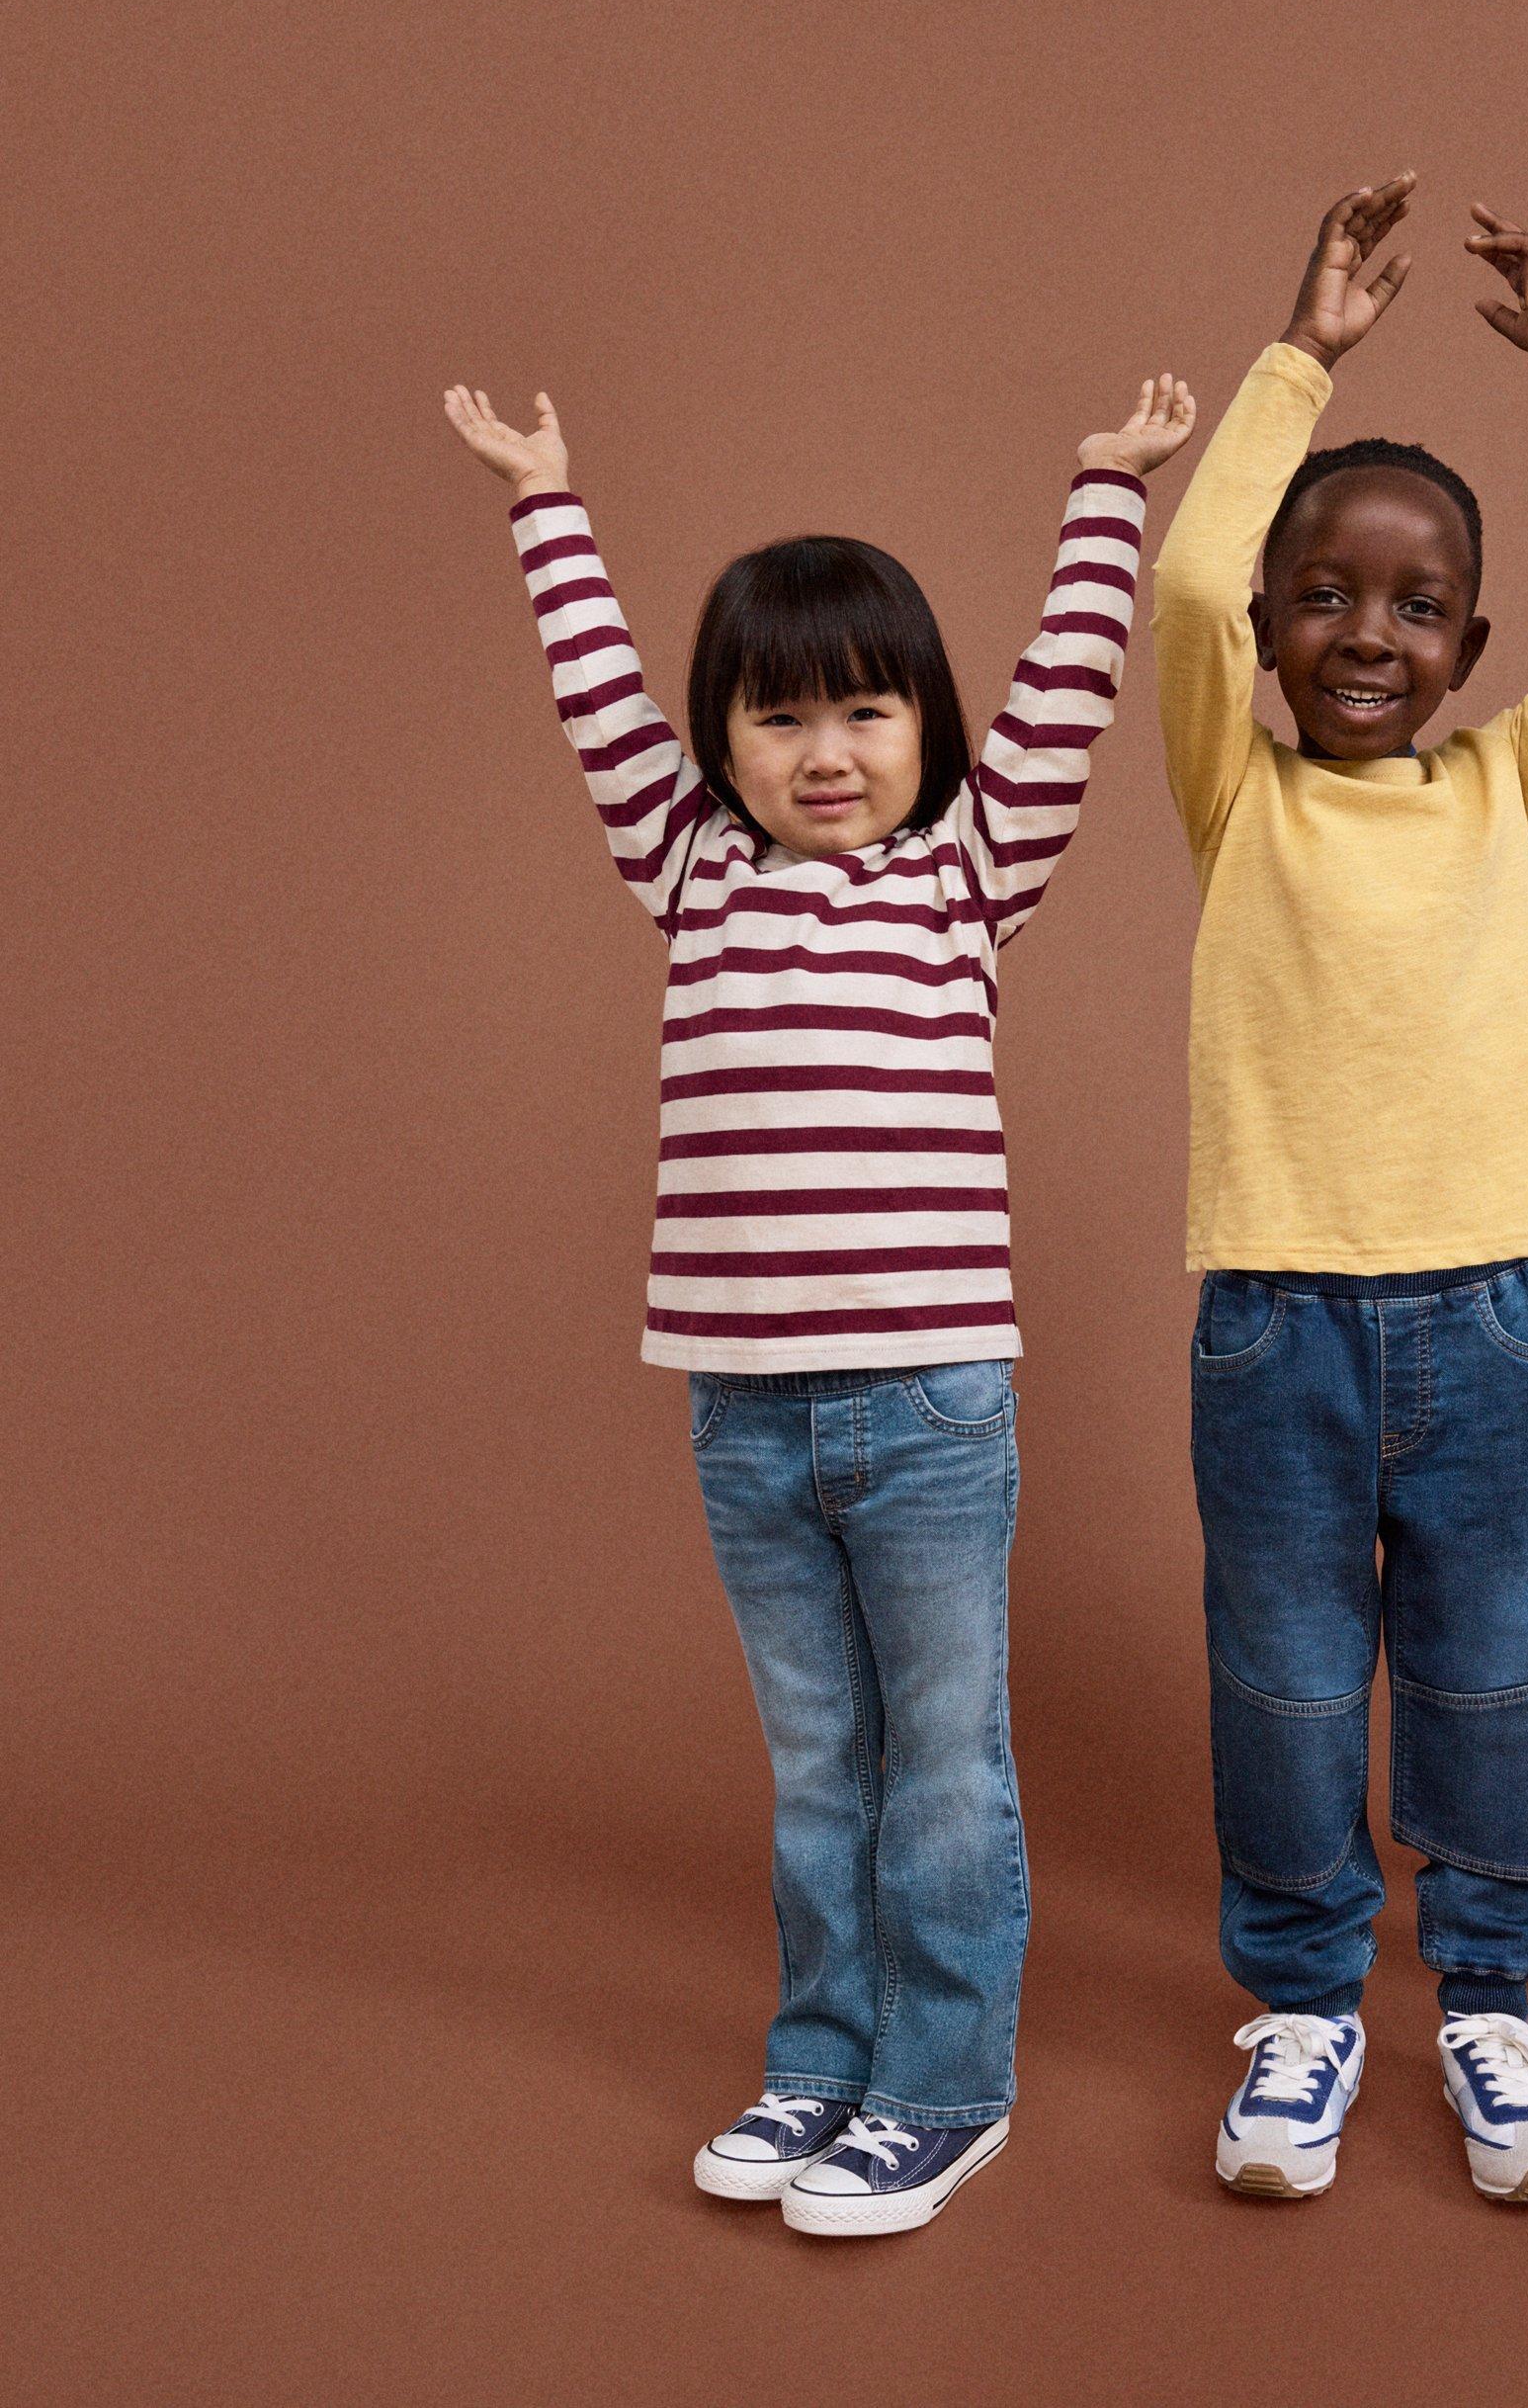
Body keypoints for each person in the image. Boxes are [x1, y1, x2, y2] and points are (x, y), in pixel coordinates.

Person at [443, 370, 1194, 2233]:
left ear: (929, 728)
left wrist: (1106, 491)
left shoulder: (966, 870)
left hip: (932, 1401)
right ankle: (819, 2061)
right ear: (722, 747)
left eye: (868, 707)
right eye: (778, 718)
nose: (827, 750)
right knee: (812, 1761)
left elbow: (1071, 698)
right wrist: (548, 500)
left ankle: (942, 2088)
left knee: (941, 1760)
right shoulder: (690, 863)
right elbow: (597, 700)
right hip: (745, 1408)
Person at [1150, 175, 1528, 2203]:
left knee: (1498, 1670)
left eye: (1408, 605)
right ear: (1273, 628)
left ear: (1470, 645)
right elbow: (1183, 577)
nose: (1360, 630)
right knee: (1286, 1676)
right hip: (1274, 1316)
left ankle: (1490, 1994)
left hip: (1492, 1318)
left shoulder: (1508, 779)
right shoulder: (1234, 788)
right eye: (1322, 593)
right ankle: (1302, 2003)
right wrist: (1303, 353)